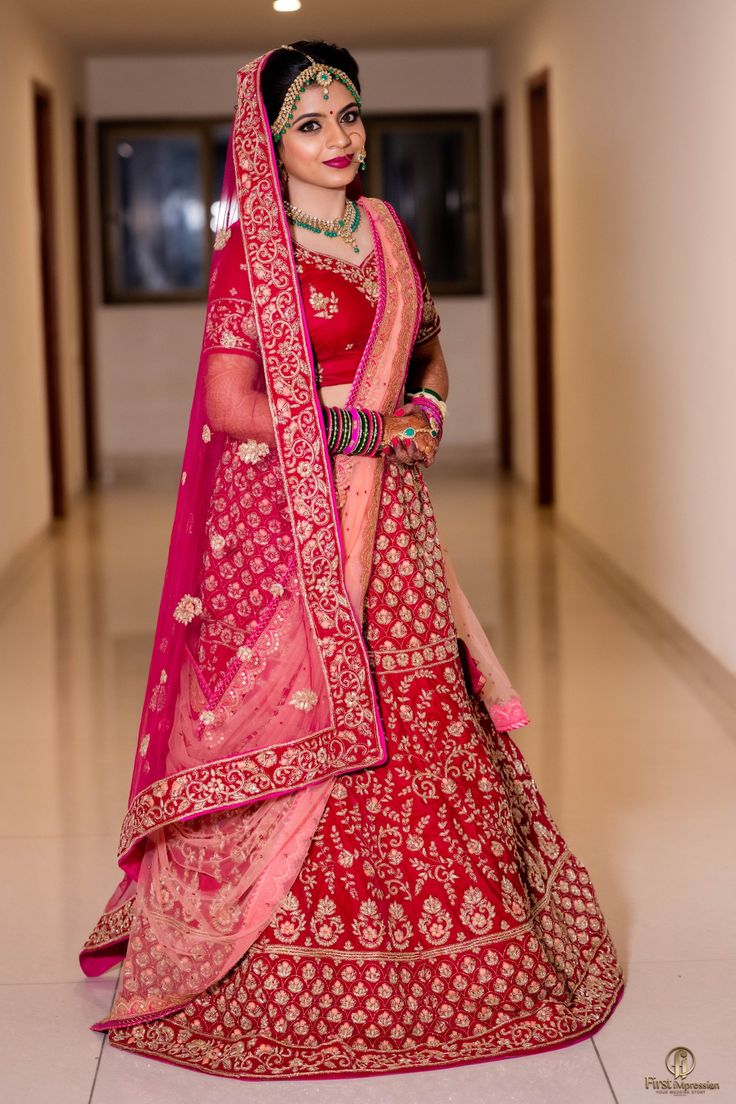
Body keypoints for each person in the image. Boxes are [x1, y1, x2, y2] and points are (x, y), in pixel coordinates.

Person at [79, 42, 625, 1080]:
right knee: (301, 709)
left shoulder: (384, 228)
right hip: (293, 531)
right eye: (312, 123)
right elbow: (229, 404)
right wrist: (352, 430)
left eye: (351, 116)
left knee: (419, 705)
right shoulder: (256, 252)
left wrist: (423, 409)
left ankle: (457, 952)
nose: (342, 141)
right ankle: (276, 958)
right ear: (270, 140)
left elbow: (425, 351)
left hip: (399, 527)